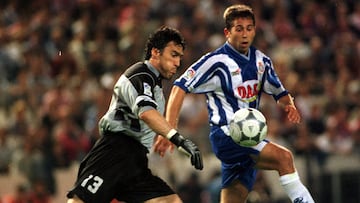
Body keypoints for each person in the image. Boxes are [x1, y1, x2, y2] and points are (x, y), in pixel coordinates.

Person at [154, 4, 315, 203]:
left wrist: (288, 104)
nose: (244, 34)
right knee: (285, 158)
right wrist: (169, 129)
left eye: (249, 28)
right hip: (227, 134)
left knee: (234, 198)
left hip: (247, 135)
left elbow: (279, 93)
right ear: (227, 32)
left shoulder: (261, 61)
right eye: (239, 29)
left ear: (255, 30)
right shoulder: (216, 61)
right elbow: (180, 87)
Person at [66, 26, 203, 203]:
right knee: (81, 201)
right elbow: (146, 113)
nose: (177, 63)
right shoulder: (140, 74)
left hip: (136, 159)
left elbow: (149, 119)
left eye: (180, 57)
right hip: (114, 151)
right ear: (155, 52)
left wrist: (164, 134)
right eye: (173, 55)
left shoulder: (156, 88)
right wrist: (177, 138)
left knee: (170, 201)